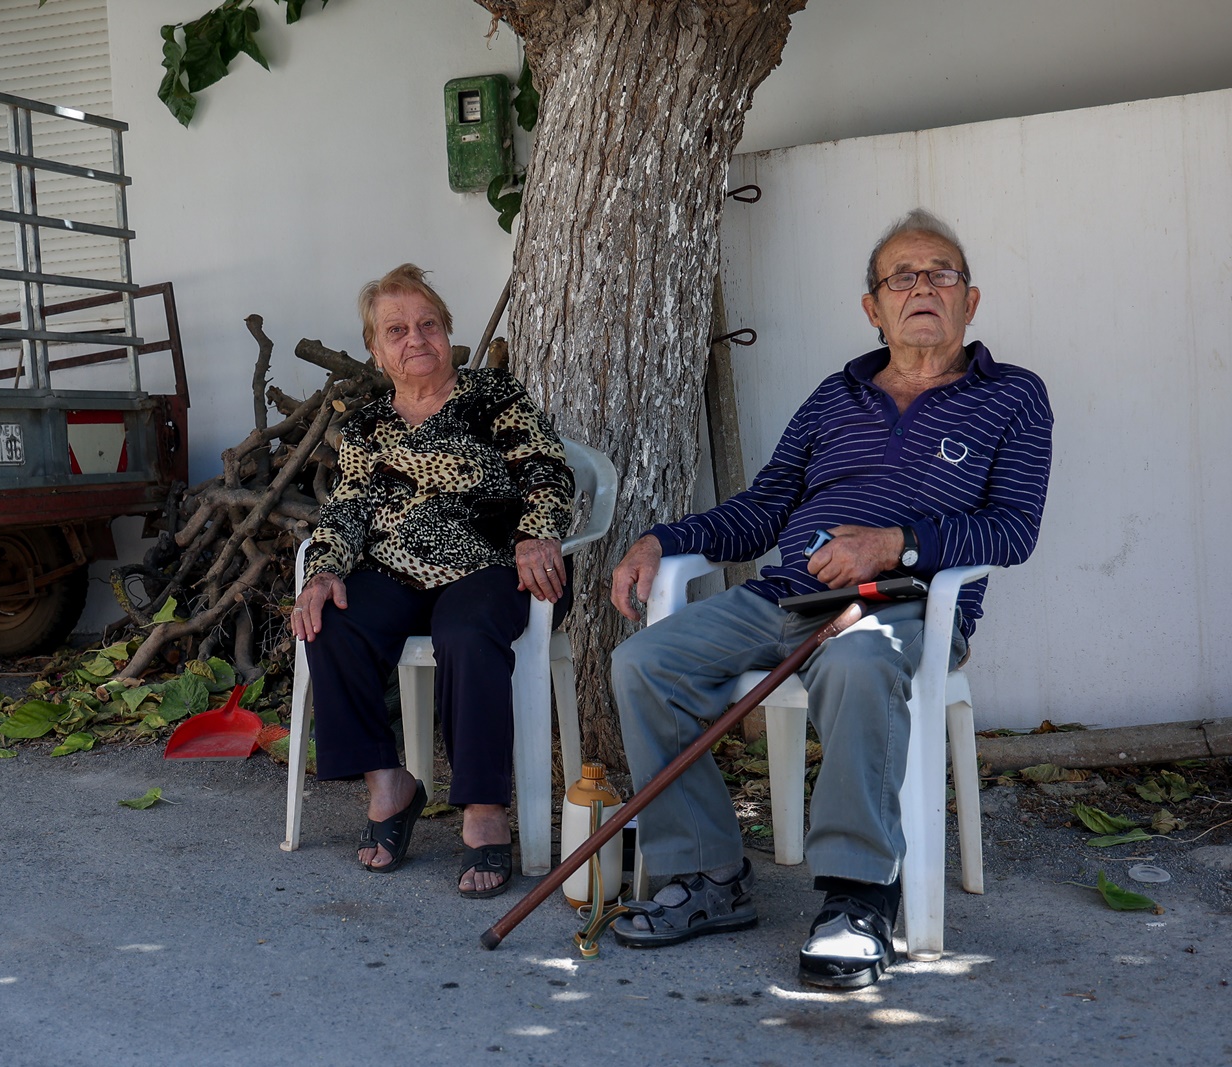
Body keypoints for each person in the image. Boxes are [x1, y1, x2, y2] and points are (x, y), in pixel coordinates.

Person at [607, 210, 1053, 988]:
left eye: (941, 274)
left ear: (970, 301)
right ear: (871, 308)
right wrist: (661, 539)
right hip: (784, 594)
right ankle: (710, 875)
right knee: (645, 660)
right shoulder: (834, 396)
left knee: (855, 657)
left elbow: (1012, 530)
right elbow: (766, 506)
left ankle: (858, 898)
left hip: (904, 605)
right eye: (901, 277)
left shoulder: (1012, 398)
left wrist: (896, 542)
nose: (922, 288)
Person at [291, 263, 574, 899]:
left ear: (448, 332)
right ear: (374, 347)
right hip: (398, 567)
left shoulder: (496, 397)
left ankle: (482, 810)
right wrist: (324, 569)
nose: (415, 339)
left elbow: (548, 472)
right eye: (397, 330)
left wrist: (536, 534)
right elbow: (348, 508)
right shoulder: (366, 426)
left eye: (428, 325)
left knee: (467, 631)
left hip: (497, 559)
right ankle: (389, 785)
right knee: (328, 619)